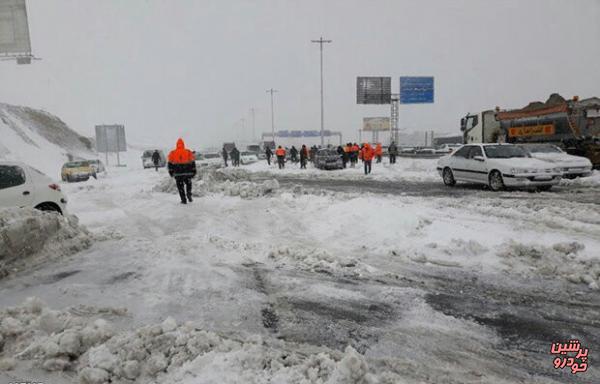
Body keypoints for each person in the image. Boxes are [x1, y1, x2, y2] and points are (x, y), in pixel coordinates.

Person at [168, 138, 196, 204]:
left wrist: (171, 172)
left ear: (177, 144)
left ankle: (183, 200)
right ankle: (189, 194)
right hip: (187, 172)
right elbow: (192, 162)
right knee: (189, 184)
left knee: (180, 187)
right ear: (183, 144)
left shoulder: (172, 153)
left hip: (178, 173)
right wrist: (194, 170)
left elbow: (170, 163)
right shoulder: (188, 152)